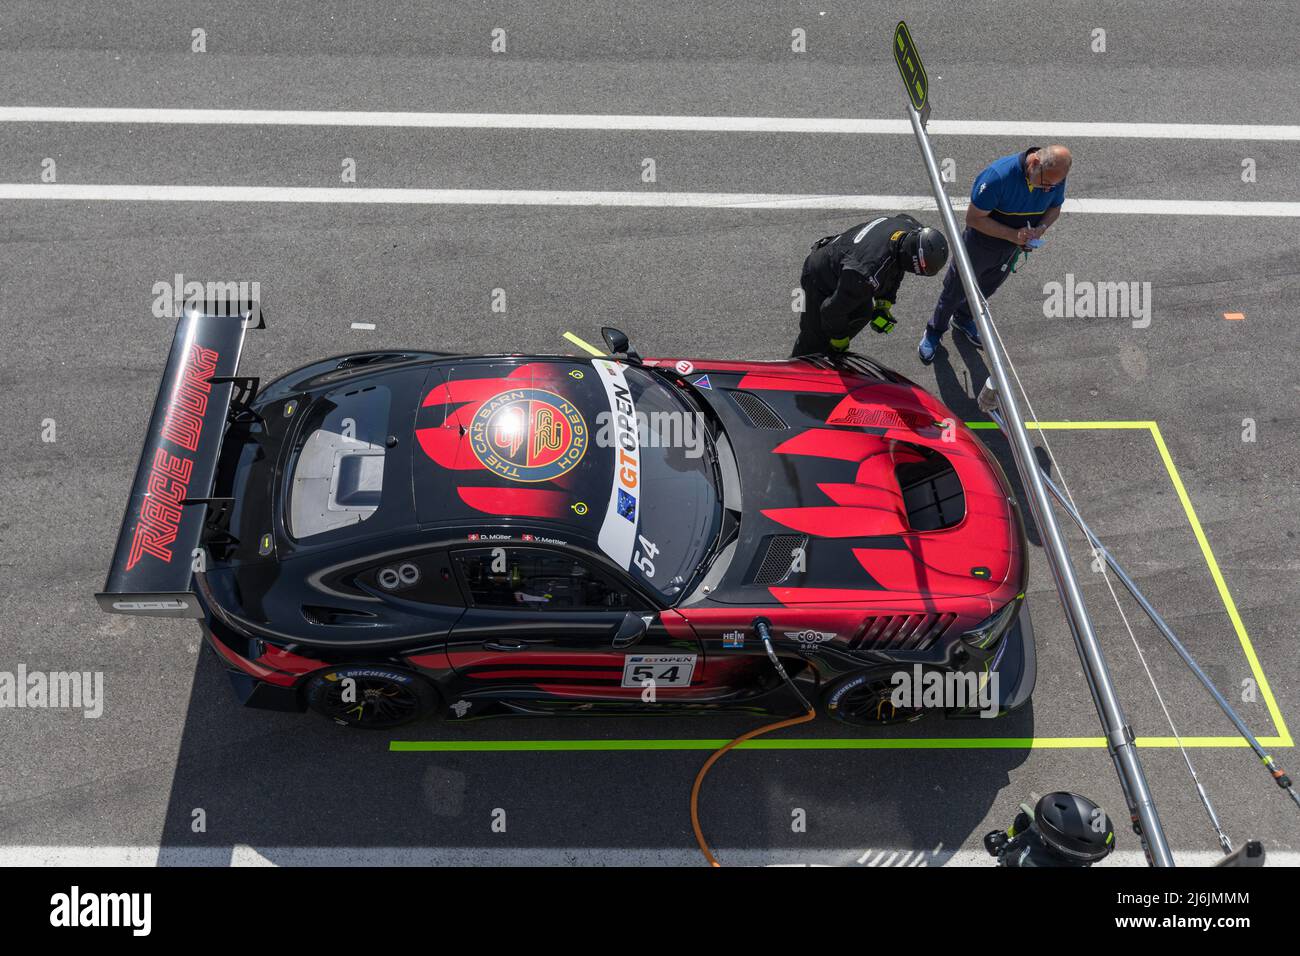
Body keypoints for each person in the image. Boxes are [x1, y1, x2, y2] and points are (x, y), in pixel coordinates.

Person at [919, 145, 1072, 365]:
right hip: (980, 246)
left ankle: (963, 319)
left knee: (987, 288)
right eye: (1046, 184)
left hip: (1010, 249)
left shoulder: (1053, 176)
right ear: (1035, 164)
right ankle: (934, 330)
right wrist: (1012, 235)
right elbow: (974, 219)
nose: (1049, 190)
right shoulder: (997, 178)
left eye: (1053, 186)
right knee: (956, 289)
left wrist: (1041, 228)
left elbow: (1054, 208)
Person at [791, 214, 948, 357]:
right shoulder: (865, 275)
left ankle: (827, 351)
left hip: (843, 263)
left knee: (863, 313)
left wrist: (883, 304)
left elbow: (897, 265)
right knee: (812, 340)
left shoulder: (910, 229)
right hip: (819, 278)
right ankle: (795, 375)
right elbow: (830, 310)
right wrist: (840, 340)